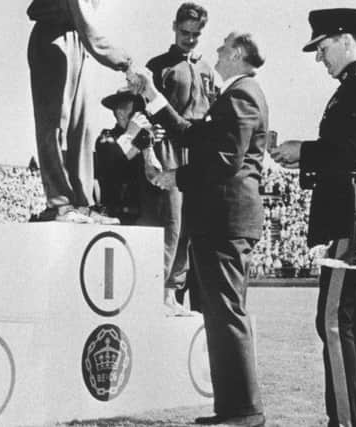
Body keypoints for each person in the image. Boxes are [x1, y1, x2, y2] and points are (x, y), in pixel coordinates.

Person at [271, 9, 356, 427]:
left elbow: (348, 152)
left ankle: (345, 420)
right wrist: (303, 158)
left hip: (353, 219)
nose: (319, 58)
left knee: (333, 319)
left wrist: (301, 152)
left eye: (323, 47)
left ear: (345, 39)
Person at [136, 32, 268, 426]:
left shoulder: (242, 95)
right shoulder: (233, 96)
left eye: (224, 49)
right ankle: (233, 408)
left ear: (240, 54)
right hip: (220, 219)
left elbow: (226, 159)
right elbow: (191, 133)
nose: (217, 54)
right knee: (218, 313)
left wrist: (177, 175)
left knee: (226, 313)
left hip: (226, 220)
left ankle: (244, 410)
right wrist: (151, 95)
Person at [27, 0, 140, 224]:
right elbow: (88, 27)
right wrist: (125, 63)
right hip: (54, 37)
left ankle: (82, 203)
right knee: (56, 124)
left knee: (83, 127)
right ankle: (60, 203)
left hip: (76, 39)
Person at [145, 2, 216, 315]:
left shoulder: (207, 69)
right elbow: (141, 114)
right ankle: (158, 290)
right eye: (185, 32)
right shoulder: (159, 66)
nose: (189, 39)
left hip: (198, 151)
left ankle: (174, 291)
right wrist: (148, 150)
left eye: (196, 35)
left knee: (191, 225)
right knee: (171, 224)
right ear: (174, 27)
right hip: (169, 149)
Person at [94, 88, 164, 225]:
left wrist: (151, 142)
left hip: (148, 215)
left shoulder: (146, 137)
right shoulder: (106, 138)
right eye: (136, 112)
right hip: (116, 216)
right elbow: (113, 164)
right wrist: (131, 134)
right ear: (120, 114)